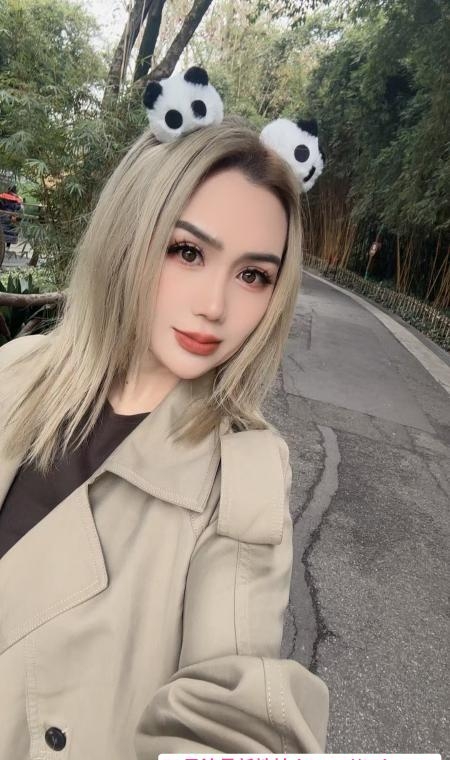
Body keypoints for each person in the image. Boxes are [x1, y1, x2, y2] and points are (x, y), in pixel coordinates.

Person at [0, 70, 329, 759]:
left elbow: (231, 712)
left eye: (253, 275)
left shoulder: (242, 476)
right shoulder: (17, 371)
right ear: (130, 234)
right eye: (187, 251)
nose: (215, 306)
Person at [0, 184, 23, 249]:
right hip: (10, 218)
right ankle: (8, 246)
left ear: (8, 190)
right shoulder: (17, 200)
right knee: (12, 228)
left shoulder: (2, 196)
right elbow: (19, 209)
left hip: (2, 216)